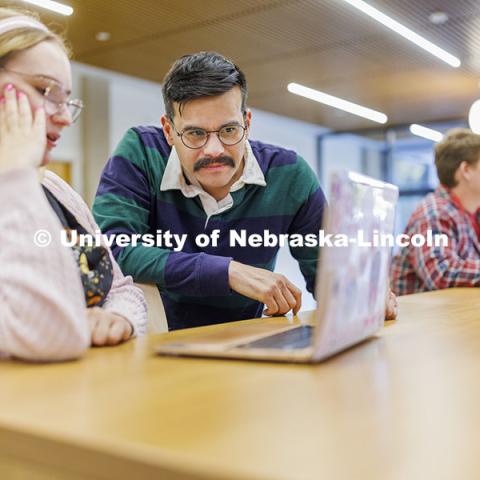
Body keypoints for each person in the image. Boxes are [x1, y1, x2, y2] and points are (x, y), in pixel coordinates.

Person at [93, 51, 397, 330]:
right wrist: (227, 272)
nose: (214, 150)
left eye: (228, 130)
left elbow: (327, 269)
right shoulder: (142, 152)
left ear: (247, 123)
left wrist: (361, 291)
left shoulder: (289, 173)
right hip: (155, 340)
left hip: (245, 336)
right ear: (169, 131)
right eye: (195, 134)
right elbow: (112, 249)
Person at [0, 8, 146, 362]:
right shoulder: (20, 184)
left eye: (66, 99)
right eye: (42, 89)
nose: (64, 117)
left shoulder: (54, 188)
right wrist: (15, 175)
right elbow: (50, 333)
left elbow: (123, 289)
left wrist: (117, 319)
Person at [392, 128, 480, 295]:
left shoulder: (471, 213)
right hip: (421, 319)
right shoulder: (434, 212)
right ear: (466, 170)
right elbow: (441, 272)